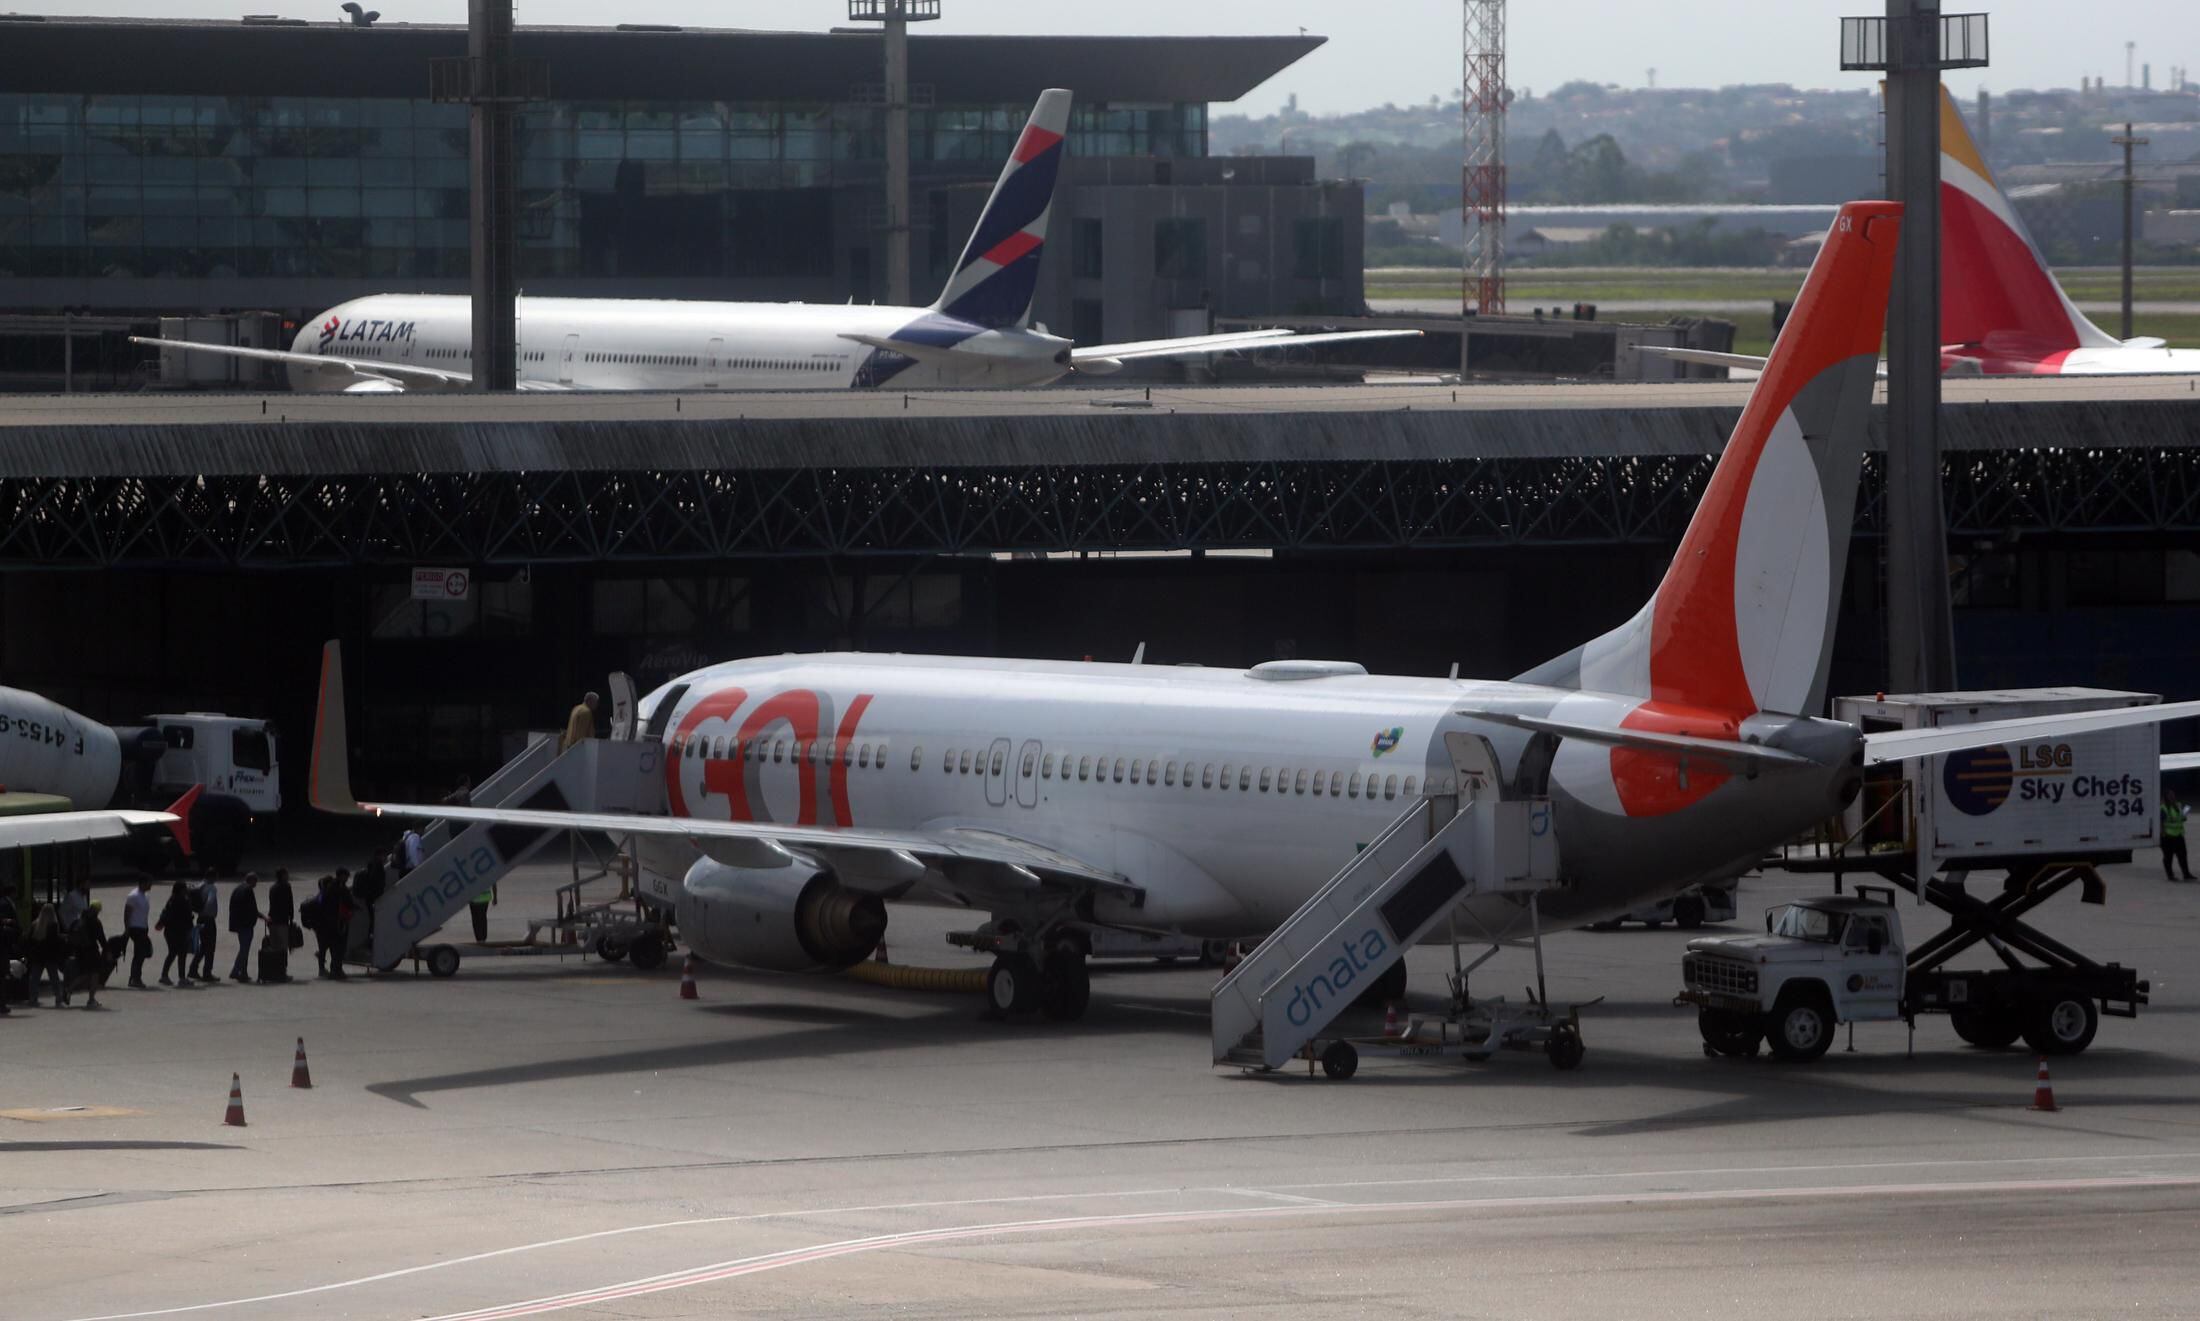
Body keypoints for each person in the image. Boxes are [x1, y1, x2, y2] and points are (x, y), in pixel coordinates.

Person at [26, 902, 68, 1007]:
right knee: (54, 978)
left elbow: (29, 940)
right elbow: (54, 942)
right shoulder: (53, 925)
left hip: (37, 956)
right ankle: (58, 999)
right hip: (50, 956)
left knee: (34, 978)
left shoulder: (35, 924)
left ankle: (33, 999)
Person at [71, 900, 111, 1008]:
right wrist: (107, 952)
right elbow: (102, 939)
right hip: (92, 951)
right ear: (97, 910)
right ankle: (91, 1000)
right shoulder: (95, 922)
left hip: (80, 951)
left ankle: (68, 989)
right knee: (94, 974)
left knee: (86, 974)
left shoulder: (81, 919)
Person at [156, 881, 195, 986]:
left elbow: (166, 913)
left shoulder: (171, 899)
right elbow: (187, 916)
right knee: (182, 954)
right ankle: (182, 978)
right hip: (180, 931)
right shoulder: (183, 900)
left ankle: (164, 976)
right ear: (182, 890)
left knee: (172, 953)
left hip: (169, 931)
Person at [227, 872, 261, 983]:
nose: (256, 884)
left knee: (244, 947)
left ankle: (243, 972)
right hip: (246, 924)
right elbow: (252, 908)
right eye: (255, 881)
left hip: (238, 923)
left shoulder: (237, 889)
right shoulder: (248, 890)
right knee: (244, 949)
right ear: (251, 880)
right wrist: (262, 917)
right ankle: (235, 971)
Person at [122, 877, 154, 988]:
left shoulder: (145, 896)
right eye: (149, 883)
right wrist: (127, 928)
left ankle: (134, 977)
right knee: (139, 954)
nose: (151, 885)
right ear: (143, 883)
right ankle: (135, 978)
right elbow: (127, 913)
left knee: (143, 953)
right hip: (135, 928)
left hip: (143, 928)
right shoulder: (133, 896)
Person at [190, 874, 220, 982]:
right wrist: (206, 911)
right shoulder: (211, 888)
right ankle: (207, 973)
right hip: (208, 919)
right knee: (210, 947)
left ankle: (193, 969)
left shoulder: (199, 885)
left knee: (203, 946)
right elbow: (210, 901)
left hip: (200, 919)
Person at [2166, 790, 2194, 882]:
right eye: (2170, 795)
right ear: (2166, 797)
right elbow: (2161, 822)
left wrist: (2184, 816)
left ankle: (2186, 874)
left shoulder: (2178, 805)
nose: (2172, 797)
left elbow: (2181, 818)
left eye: (2173, 795)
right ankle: (2170, 875)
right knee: (2169, 857)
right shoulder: (2164, 807)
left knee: (2183, 856)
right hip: (2168, 836)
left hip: (2179, 835)